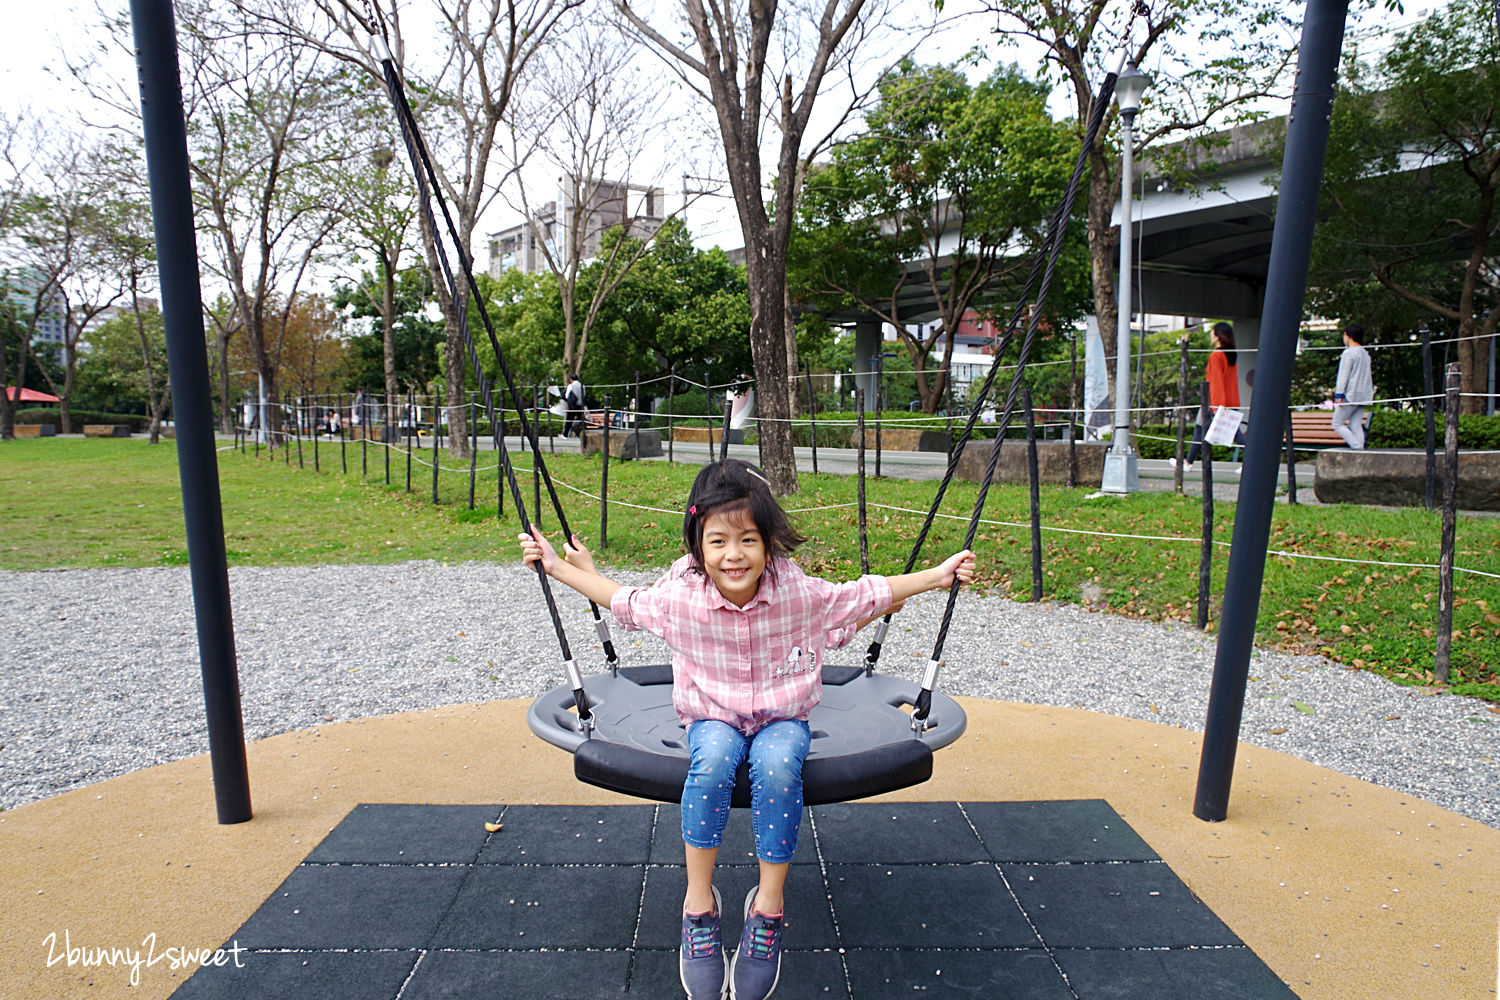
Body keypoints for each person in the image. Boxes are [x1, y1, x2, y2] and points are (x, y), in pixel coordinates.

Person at [519, 459, 976, 1000]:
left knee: (778, 765)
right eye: (717, 542)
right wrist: (559, 568)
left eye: (747, 540)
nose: (733, 555)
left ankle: (768, 907)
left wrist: (937, 576)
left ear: (768, 543)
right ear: (697, 546)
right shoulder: (679, 598)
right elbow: (622, 601)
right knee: (711, 762)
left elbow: (865, 594)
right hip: (711, 715)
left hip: (783, 716)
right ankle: (698, 907)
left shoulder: (797, 593)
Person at [1175, 321, 1247, 470]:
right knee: (1203, 429)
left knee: (1226, 432)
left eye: (1213, 332)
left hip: (1214, 401)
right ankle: (1188, 462)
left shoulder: (1216, 356)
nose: (1210, 335)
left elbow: (1216, 382)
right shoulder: (1231, 355)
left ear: (1218, 336)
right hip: (1230, 400)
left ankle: (1250, 462)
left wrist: (1216, 406)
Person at [1332, 322, 1374, 449]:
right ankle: (1360, 450)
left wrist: (1339, 393)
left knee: (1337, 423)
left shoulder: (1348, 353)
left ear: (1348, 335)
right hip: (1364, 395)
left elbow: (1343, 375)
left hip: (1350, 394)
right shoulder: (1365, 354)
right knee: (1355, 424)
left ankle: (1356, 447)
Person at [563, 373, 586, 437]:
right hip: (580, 405)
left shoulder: (571, 386)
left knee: (569, 420)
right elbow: (584, 395)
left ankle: (565, 434)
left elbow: (567, 395)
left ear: (571, 379)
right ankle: (582, 433)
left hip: (573, 405)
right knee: (580, 419)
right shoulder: (583, 386)